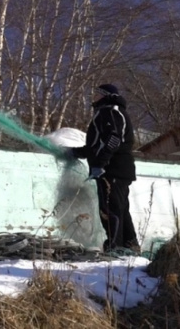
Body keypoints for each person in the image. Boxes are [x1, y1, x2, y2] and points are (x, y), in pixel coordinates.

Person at [68, 84, 140, 253]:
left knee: (109, 209)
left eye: (97, 94)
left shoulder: (109, 111)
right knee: (121, 208)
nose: (94, 97)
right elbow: (95, 145)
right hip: (119, 169)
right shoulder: (111, 111)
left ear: (105, 95)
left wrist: (101, 163)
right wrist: (75, 152)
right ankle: (130, 245)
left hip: (112, 169)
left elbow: (114, 138)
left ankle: (115, 248)